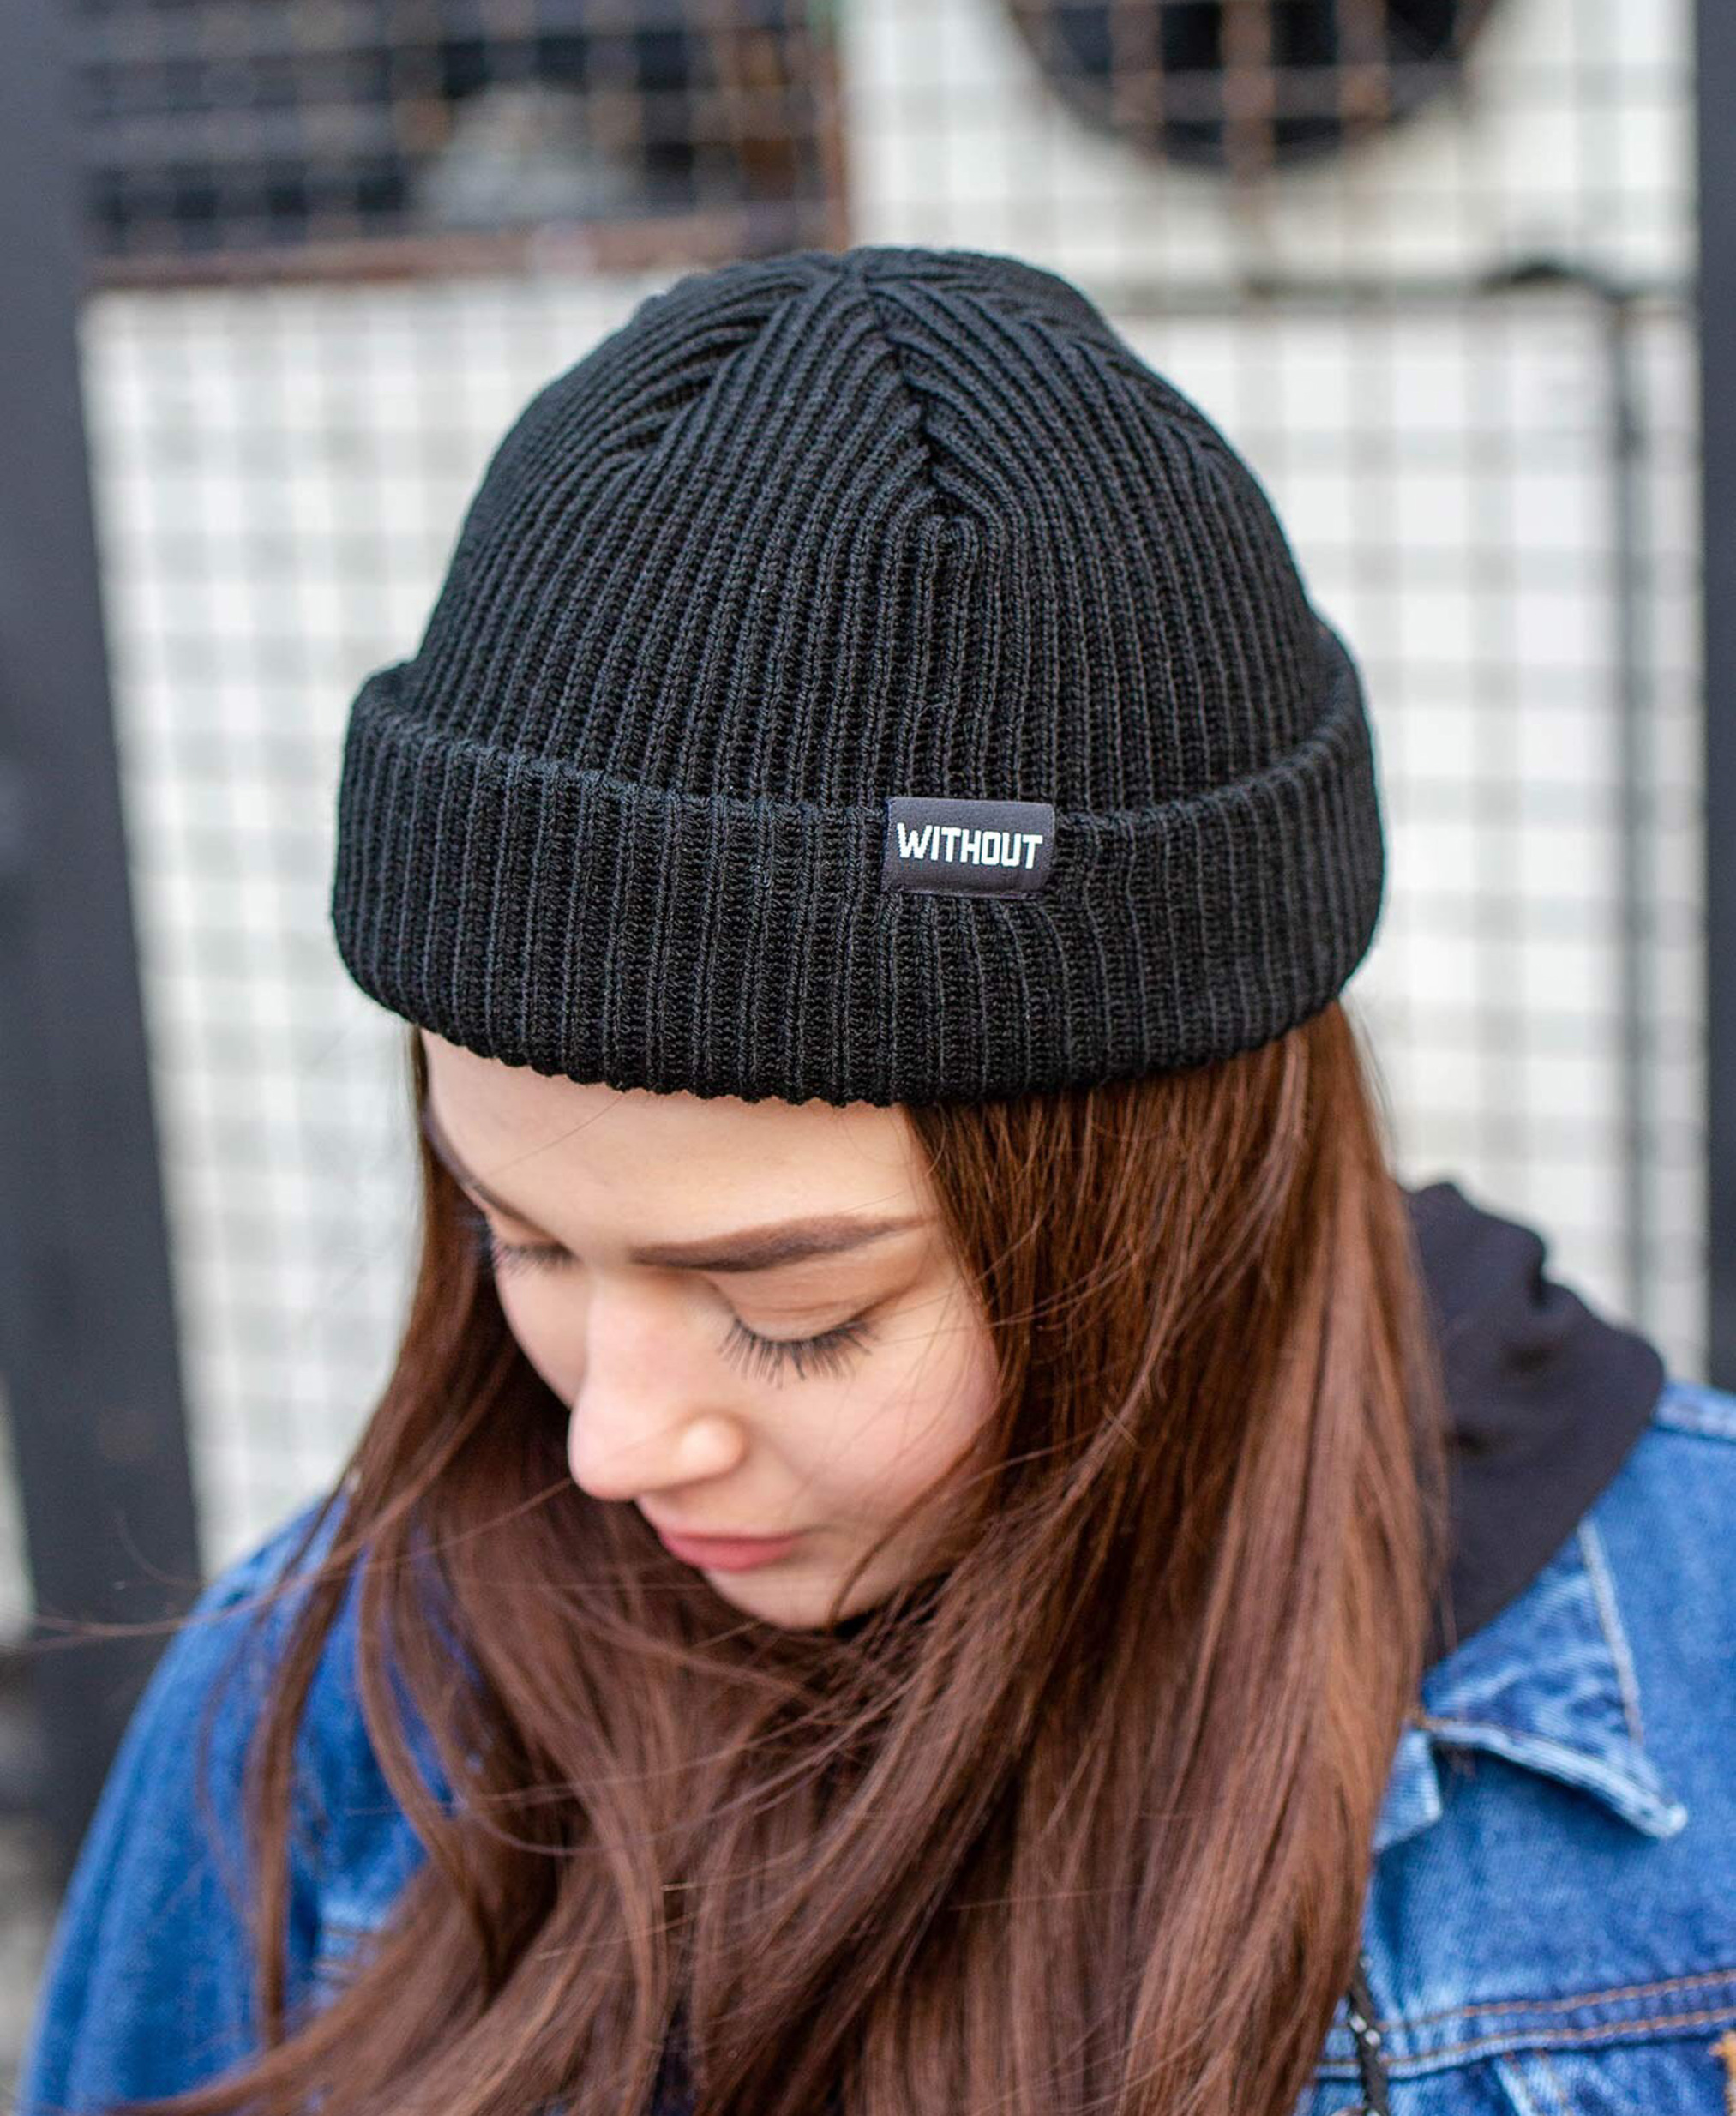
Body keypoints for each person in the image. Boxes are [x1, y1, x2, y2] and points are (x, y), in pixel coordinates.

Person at [17, 244, 1736, 2116]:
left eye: (793, 1311)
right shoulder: (319, 1716)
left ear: (1164, 1212)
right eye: (523, 1243)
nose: (611, 1445)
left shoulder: (1696, 1669)